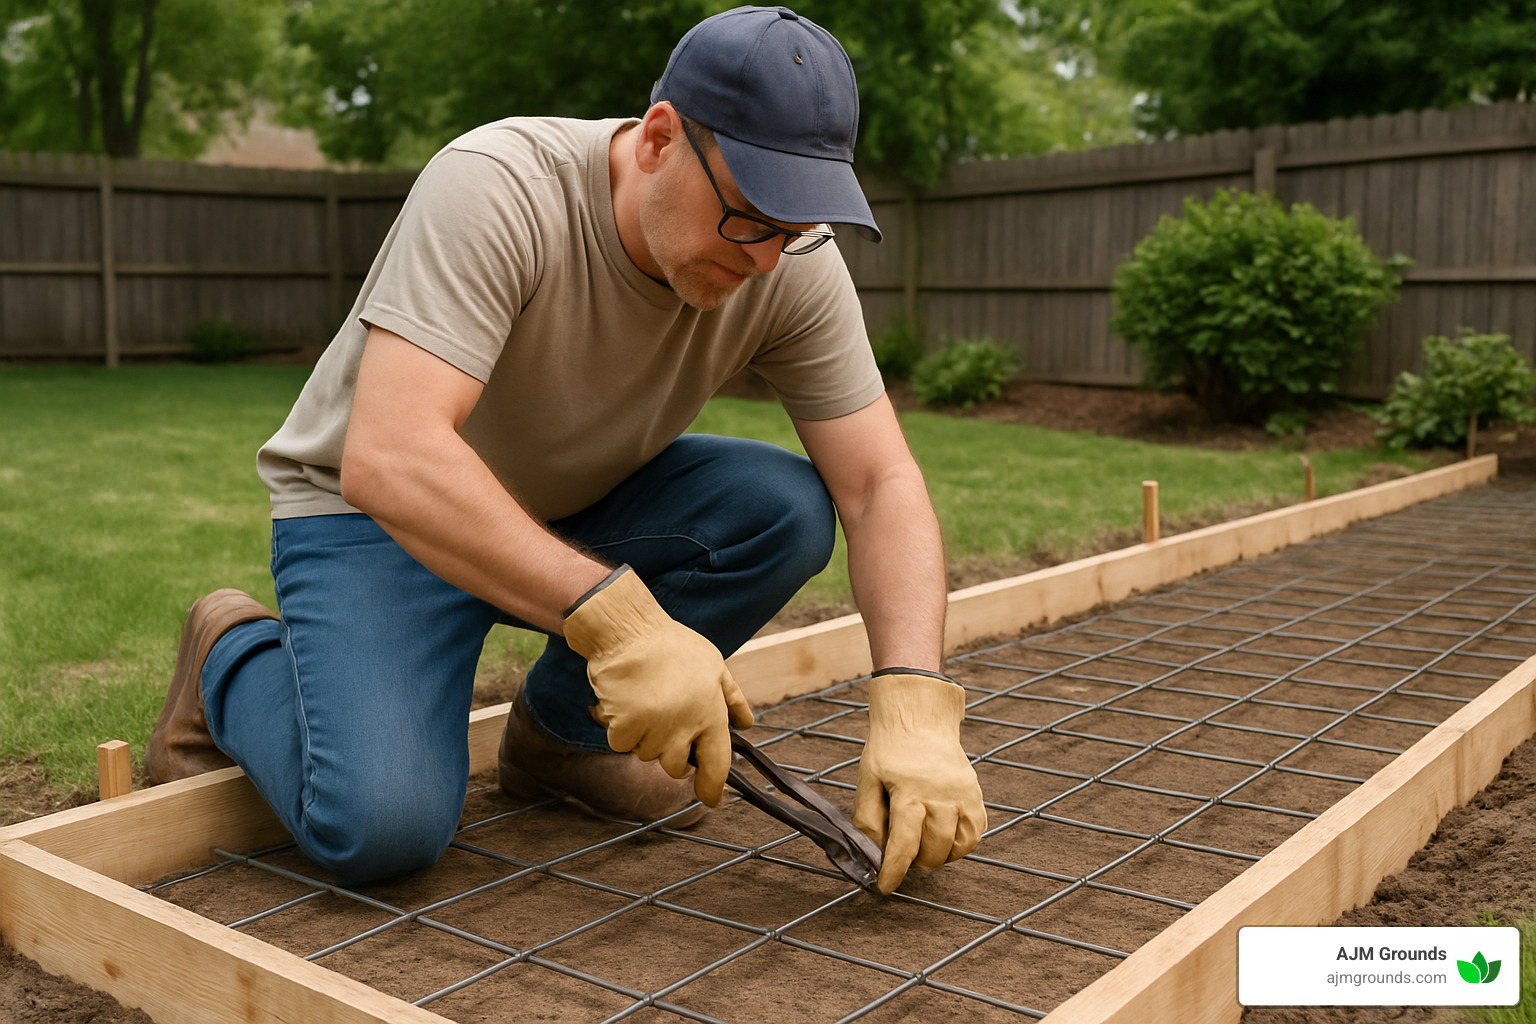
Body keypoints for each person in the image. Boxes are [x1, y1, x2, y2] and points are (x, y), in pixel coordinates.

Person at [145, 5, 985, 895]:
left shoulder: (786, 257)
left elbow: (880, 482)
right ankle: (229, 653)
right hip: (379, 519)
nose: (769, 259)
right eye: (749, 218)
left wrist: (914, 701)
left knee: (783, 510)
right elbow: (390, 456)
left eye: (796, 227)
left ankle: (562, 740)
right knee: (378, 831)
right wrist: (622, 623)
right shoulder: (498, 186)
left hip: (575, 505)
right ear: (660, 138)